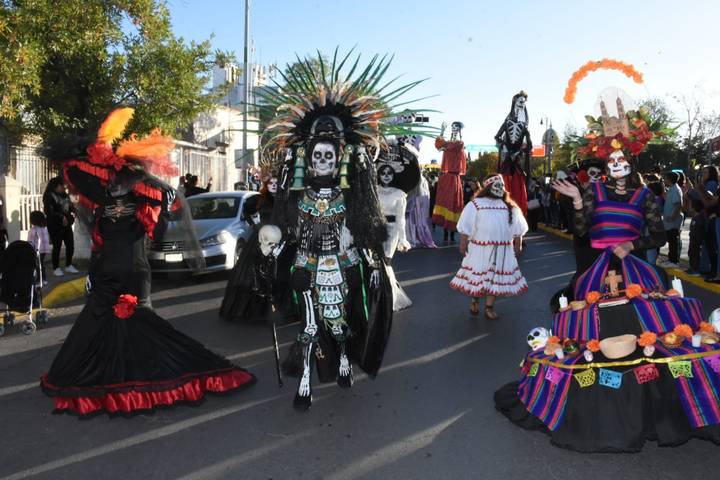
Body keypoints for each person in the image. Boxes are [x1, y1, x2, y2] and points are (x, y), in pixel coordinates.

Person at [492, 96, 720, 453]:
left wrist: (631, 245)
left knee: (655, 325)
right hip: (599, 270)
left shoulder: (645, 195)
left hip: (634, 267)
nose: (615, 163)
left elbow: (657, 234)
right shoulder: (593, 190)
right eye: (610, 160)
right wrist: (579, 203)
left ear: (629, 164)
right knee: (592, 323)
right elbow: (582, 230)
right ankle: (602, 400)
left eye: (621, 159)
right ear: (606, 163)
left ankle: (658, 407)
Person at [40, 108, 255, 417]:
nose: (112, 188)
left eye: (118, 184)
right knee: (97, 326)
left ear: (129, 181)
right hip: (105, 276)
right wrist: (93, 274)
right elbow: (100, 244)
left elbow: (163, 212)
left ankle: (145, 378)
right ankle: (105, 377)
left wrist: (152, 204)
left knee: (142, 326)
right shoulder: (101, 210)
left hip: (133, 274)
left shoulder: (146, 208)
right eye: (109, 185)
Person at [450, 174, 528, 319]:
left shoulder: (509, 206)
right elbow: (465, 225)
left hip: (502, 251)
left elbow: (519, 227)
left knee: (494, 279)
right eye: (496, 186)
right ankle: (474, 300)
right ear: (488, 188)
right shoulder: (476, 204)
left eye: (501, 186)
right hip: (479, 250)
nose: (500, 188)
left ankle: (488, 307)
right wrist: (463, 243)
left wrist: (518, 243)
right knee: (478, 277)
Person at [496, 91, 532, 216]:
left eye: (524, 102)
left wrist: (519, 151)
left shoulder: (524, 127)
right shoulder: (507, 123)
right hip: (507, 159)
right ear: (515, 103)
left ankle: (517, 213)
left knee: (518, 187)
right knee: (504, 184)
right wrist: (504, 145)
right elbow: (497, 137)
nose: (522, 104)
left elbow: (529, 146)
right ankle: (502, 211)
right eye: (520, 101)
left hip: (517, 161)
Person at [432, 121, 466, 242]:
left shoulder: (458, 144)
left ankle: (451, 232)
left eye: (456, 127)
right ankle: (446, 232)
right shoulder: (448, 144)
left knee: (453, 203)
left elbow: (449, 145)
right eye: (453, 127)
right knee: (445, 202)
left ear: (460, 130)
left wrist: (446, 141)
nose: (454, 128)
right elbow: (438, 146)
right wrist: (441, 131)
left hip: (454, 178)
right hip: (446, 177)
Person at [42, 176, 78, 277]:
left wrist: (73, 210)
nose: (64, 187)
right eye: (62, 185)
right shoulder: (49, 196)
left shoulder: (64, 194)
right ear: (55, 186)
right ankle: (56, 267)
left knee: (70, 244)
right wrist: (61, 217)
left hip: (66, 224)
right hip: (55, 224)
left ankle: (68, 265)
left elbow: (69, 205)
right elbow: (49, 211)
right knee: (57, 246)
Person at [660, 171, 683, 268]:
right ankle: (671, 259)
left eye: (665, 178)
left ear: (669, 179)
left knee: (673, 241)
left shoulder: (675, 189)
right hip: (669, 220)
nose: (664, 180)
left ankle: (674, 261)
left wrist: (673, 216)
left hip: (673, 220)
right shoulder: (672, 188)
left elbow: (678, 204)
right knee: (671, 240)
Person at [27, 211, 51, 284]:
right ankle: (42, 278)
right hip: (44, 249)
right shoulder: (44, 228)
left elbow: (30, 242)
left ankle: (41, 279)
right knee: (40, 263)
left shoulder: (33, 230)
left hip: (36, 250)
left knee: (37, 264)